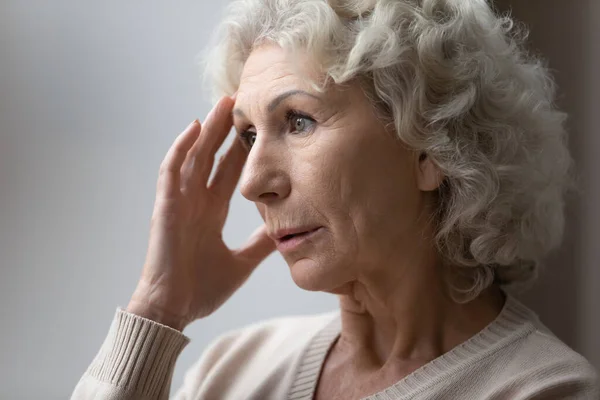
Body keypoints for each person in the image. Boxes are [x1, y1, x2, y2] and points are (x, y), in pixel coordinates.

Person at [71, 0, 599, 399]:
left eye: (298, 121)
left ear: (431, 147)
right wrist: (159, 306)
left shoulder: (542, 389)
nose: (252, 184)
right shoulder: (232, 371)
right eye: (249, 135)